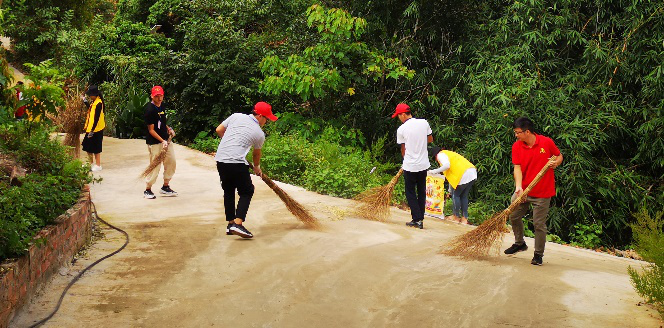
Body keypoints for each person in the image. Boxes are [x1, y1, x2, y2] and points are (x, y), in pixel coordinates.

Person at [503, 117, 563, 266]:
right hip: (524, 190)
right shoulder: (517, 146)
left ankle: (538, 254)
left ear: (527, 131)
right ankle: (519, 243)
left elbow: (559, 155)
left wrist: (556, 162)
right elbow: (517, 167)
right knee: (514, 216)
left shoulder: (546, 142)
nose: (516, 135)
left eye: (518, 133)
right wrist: (519, 187)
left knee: (538, 224)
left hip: (542, 193)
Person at [215, 102, 278, 239]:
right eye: (266, 118)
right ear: (260, 116)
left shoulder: (236, 116)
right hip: (236, 162)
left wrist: (230, 143)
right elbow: (256, 154)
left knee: (229, 190)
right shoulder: (259, 133)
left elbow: (219, 130)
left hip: (220, 159)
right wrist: (257, 167)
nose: (266, 122)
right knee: (247, 190)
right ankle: (238, 223)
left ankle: (230, 224)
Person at [393, 103, 433, 229]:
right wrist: (419, 141)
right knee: (421, 191)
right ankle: (420, 219)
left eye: (398, 116)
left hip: (410, 166)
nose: (399, 118)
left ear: (403, 114)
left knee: (410, 192)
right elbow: (430, 139)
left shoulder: (402, 129)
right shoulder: (424, 123)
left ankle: (417, 219)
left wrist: (405, 161)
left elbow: (403, 150)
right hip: (423, 165)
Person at [428, 147, 477, 225]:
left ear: (435, 156)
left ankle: (456, 217)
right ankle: (464, 219)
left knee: (456, 195)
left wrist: (434, 171)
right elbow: (452, 176)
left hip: (463, 174)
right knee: (464, 196)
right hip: (472, 172)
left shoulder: (441, 154)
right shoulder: (449, 154)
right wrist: (449, 191)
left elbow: (447, 165)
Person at [143, 85, 177, 199]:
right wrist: (162, 141)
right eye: (157, 96)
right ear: (152, 96)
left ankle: (165, 186)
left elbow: (162, 122)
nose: (159, 98)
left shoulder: (162, 106)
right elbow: (151, 130)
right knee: (155, 165)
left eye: (161, 95)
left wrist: (169, 129)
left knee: (171, 161)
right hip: (155, 142)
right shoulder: (149, 110)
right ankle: (148, 189)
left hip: (165, 140)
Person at [81, 85, 105, 172]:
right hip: (90, 128)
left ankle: (98, 165)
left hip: (96, 129)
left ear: (94, 94)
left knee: (96, 148)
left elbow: (96, 118)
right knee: (87, 147)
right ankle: (90, 163)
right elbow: (90, 109)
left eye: (90, 95)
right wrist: (84, 100)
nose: (90, 96)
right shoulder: (94, 102)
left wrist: (92, 130)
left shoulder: (99, 103)